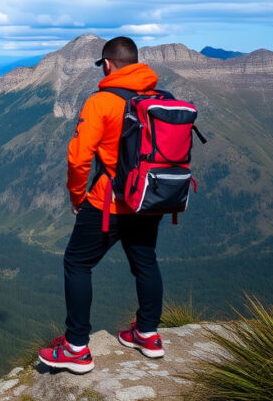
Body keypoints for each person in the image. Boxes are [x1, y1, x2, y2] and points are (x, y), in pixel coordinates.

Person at [38, 36, 166, 374]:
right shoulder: (156, 99)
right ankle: (148, 334)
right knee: (145, 262)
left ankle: (77, 348)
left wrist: (77, 197)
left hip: (107, 203)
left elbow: (79, 158)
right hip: (147, 199)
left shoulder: (101, 102)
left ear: (107, 64)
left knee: (77, 263)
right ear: (136, 63)